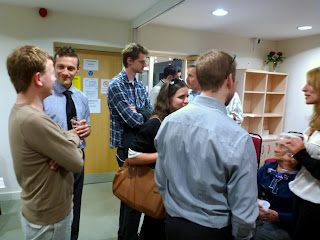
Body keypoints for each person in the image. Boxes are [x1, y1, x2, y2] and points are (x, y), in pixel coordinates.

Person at [155, 50, 258, 240]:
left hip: (172, 224)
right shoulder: (239, 138)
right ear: (229, 80)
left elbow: (161, 178)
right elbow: (244, 208)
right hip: (213, 231)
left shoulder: (169, 122)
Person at [7, 45, 83, 240]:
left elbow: (63, 139)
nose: (56, 77)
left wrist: (64, 143)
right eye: (52, 72)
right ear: (38, 79)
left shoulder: (26, 111)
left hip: (43, 209)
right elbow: (76, 161)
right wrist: (72, 138)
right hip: (50, 217)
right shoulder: (34, 119)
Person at [127, 79, 188, 240]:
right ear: (168, 99)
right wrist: (163, 156)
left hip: (176, 191)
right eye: (181, 97)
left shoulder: (181, 121)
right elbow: (132, 156)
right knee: (154, 227)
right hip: (157, 190)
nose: (186, 101)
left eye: (187, 96)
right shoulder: (155, 123)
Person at [43, 46, 91, 240]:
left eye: (70, 68)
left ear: (77, 69)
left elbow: (86, 127)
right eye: (61, 66)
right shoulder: (43, 96)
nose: (65, 72)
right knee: (53, 210)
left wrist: (88, 130)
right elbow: (38, 134)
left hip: (78, 158)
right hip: (52, 162)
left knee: (75, 206)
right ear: (54, 66)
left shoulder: (82, 97)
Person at [106, 43, 153, 240]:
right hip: (126, 149)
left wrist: (141, 112)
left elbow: (151, 113)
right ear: (130, 61)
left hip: (140, 145)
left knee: (133, 198)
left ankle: (125, 235)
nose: (145, 65)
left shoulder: (140, 85)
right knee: (132, 198)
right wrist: (143, 114)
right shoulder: (116, 85)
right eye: (142, 61)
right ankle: (127, 236)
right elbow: (132, 120)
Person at [285, 67, 320, 240]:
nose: (303, 88)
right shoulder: (315, 123)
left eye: (310, 83)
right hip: (302, 195)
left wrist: (301, 155)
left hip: (315, 204)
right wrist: (298, 161)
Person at [254, 133, 301, 240]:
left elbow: (301, 216)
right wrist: (255, 200)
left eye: (282, 147)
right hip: (258, 214)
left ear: (294, 153)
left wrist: (279, 217)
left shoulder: (299, 178)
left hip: (282, 225)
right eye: (276, 145)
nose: (275, 150)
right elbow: (251, 188)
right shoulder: (268, 167)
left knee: (255, 235)